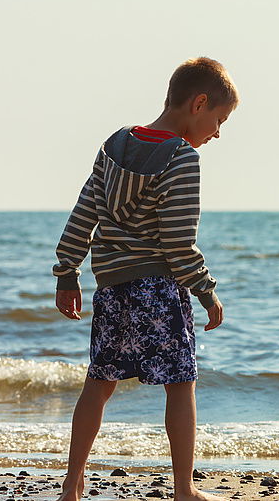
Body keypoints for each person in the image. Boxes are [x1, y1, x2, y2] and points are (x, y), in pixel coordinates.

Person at [52, 57, 238, 501]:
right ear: (199, 103)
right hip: (158, 287)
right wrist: (205, 289)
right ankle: (183, 488)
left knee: (98, 383)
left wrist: (66, 271)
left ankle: (72, 484)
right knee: (180, 383)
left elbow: (85, 213)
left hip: (113, 288)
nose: (217, 132)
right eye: (219, 119)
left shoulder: (115, 145)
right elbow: (177, 243)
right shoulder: (182, 159)